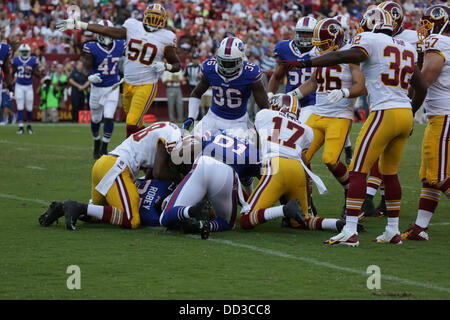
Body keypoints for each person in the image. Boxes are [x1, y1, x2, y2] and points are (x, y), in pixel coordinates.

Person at [284, 8, 428, 246]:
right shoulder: (406, 46)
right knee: (390, 173)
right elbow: (421, 87)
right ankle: (392, 229)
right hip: (403, 112)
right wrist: (411, 113)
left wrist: (306, 62)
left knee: (359, 170)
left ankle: (350, 230)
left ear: (370, 25)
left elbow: (342, 57)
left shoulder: (369, 39)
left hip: (384, 111)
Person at [57, 3, 182, 137]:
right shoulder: (133, 25)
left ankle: (130, 154)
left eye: (157, 18)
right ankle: (146, 148)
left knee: (131, 122)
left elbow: (177, 65)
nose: (154, 20)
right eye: (152, 17)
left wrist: (166, 66)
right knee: (136, 123)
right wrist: (79, 24)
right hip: (127, 83)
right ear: (145, 16)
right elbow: (107, 31)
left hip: (146, 84)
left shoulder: (167, 36)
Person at [39, 121, 183, 231]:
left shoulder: (169, 129)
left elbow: (152, 174)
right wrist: (182, 179)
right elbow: (159, 172)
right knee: (131, 219)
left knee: (100, 215)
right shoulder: (174, 138)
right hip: (117, 168)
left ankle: (63, 207)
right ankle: (77, 207)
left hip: (104, 165)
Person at [290, 18, 366, 217]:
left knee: (331, 160)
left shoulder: (350, 54)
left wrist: (345, 93)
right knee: (299, 157)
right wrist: (292, 96)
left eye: (323, 45)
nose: (319, 49)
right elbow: (313, 82)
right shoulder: (318, 53)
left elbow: (361, 86)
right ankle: (307, 203)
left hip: (340, 115)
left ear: (336, 40)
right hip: (318, 113)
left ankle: (352, 193)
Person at [361, 1, 427, 219]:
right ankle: (377, 200)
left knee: (381, 156)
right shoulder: (403, 39)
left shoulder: (410, 39)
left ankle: (369, 201)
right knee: (384, 155)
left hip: (397, 98)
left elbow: (420, 72)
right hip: (392, 100)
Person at [401, 4, 450, 241]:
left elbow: (425, 80)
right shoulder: (442, 43)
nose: (423, 29)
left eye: (427, 24)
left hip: (445, 114)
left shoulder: (440, 43)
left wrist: (405, 108)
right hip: (439, 114)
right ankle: (420, 228)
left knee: (440, 176)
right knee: (429, 175)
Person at [182, 36, 269, 139]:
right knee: (189, 147)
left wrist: (266, 123)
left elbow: (263, 104)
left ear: (241, 59)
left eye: (231, 63)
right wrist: (191, 117)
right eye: (223, 62)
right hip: (212, 118)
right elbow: (196, 93)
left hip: (238, 122)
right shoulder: (210, 68)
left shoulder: (250, 73)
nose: (227, 66)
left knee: (235, 153)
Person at [81, 19, 125, 159]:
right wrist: (90, 76)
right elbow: (86, 68)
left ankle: (104, 147)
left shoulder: (120, 45)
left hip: (112, 87)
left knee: (108, 117)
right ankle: (96, 141)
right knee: (95, 119)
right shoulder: (91, 47)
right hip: (96, 88)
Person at [268, 16, 317, 124]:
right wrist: (270, 95)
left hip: (313, 103)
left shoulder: (320, 51)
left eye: (308, 33)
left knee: (298, 130)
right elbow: (277, 76)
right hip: (289, 102)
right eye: (302, 33)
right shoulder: (285, 48)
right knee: (278, 130)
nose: (304, 36)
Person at [12, 43, 40, 134]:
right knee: (20, 106)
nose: (24, 53)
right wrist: (10, 85)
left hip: (29, 86)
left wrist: (32, 70)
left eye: (25, 52)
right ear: (20, 52)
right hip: (19, 85)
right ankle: (20, 127)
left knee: (29, 107)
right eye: (22, 52)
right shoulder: (15, 60)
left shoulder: (33, 60)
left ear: (29, 52)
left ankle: (29, 126)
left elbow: (38, 74)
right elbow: (12, 72)